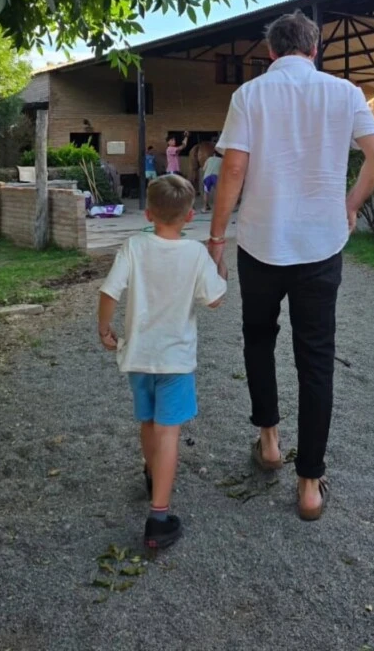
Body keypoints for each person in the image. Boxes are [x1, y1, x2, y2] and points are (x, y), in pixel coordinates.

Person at [208, 10, 374, 521]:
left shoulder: (249, 96)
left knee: (258, 339)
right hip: (320, 246)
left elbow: (234, 170)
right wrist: (349, 206)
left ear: (270, 52)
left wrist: (217, 239)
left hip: (261, 243)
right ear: (315, 49)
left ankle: (269, 442)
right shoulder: (345, 93)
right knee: (316, 360)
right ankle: (309, 483)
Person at [97, 175, 227, 550]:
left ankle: (154, 474)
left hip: (139, 355)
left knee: (148, 421)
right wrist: (219, 261)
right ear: (189, 217)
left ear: (149, 212)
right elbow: (215, 299)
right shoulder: (194, 254)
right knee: (169, 431)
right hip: (176, 359)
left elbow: (110, 291)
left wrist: (104, 328)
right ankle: (158, 516)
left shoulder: (134, 246)